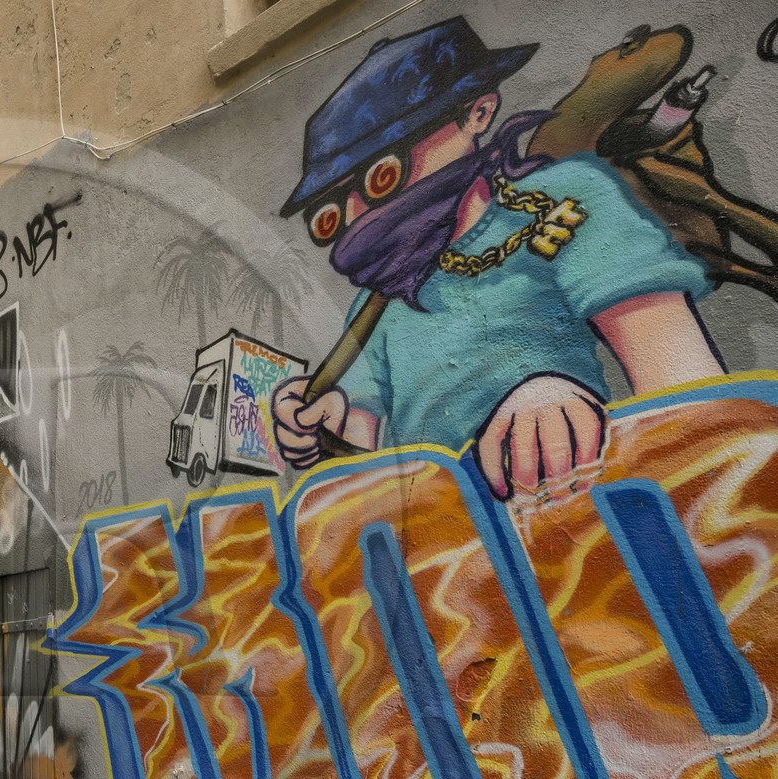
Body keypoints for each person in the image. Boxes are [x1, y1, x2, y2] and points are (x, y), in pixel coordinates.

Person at [271, 17, 725, 499]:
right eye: (332, 213)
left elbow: (692, 403)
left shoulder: (565, 199)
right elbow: (363, 483)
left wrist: (553, 399)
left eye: (381, 176)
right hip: (443, 555)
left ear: (478, 112)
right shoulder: (378, 298)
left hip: (576, 524)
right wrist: (324, 428)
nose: (360, 215)